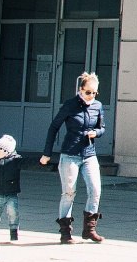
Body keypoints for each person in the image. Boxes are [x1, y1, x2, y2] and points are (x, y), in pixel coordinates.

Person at [40, 72, 106, 243]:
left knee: (95, 190)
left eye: (94, 93)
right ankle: (65, 232)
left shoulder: (97, 106)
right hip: (70, 154)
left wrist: (96, 133)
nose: (91, 96)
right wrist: (47, 153)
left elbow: (102, 127)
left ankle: (89, 229)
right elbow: (54, 127)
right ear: (80, 90)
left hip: (89, 154)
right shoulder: (70, 105)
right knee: (69, 192)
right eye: (88, 92)